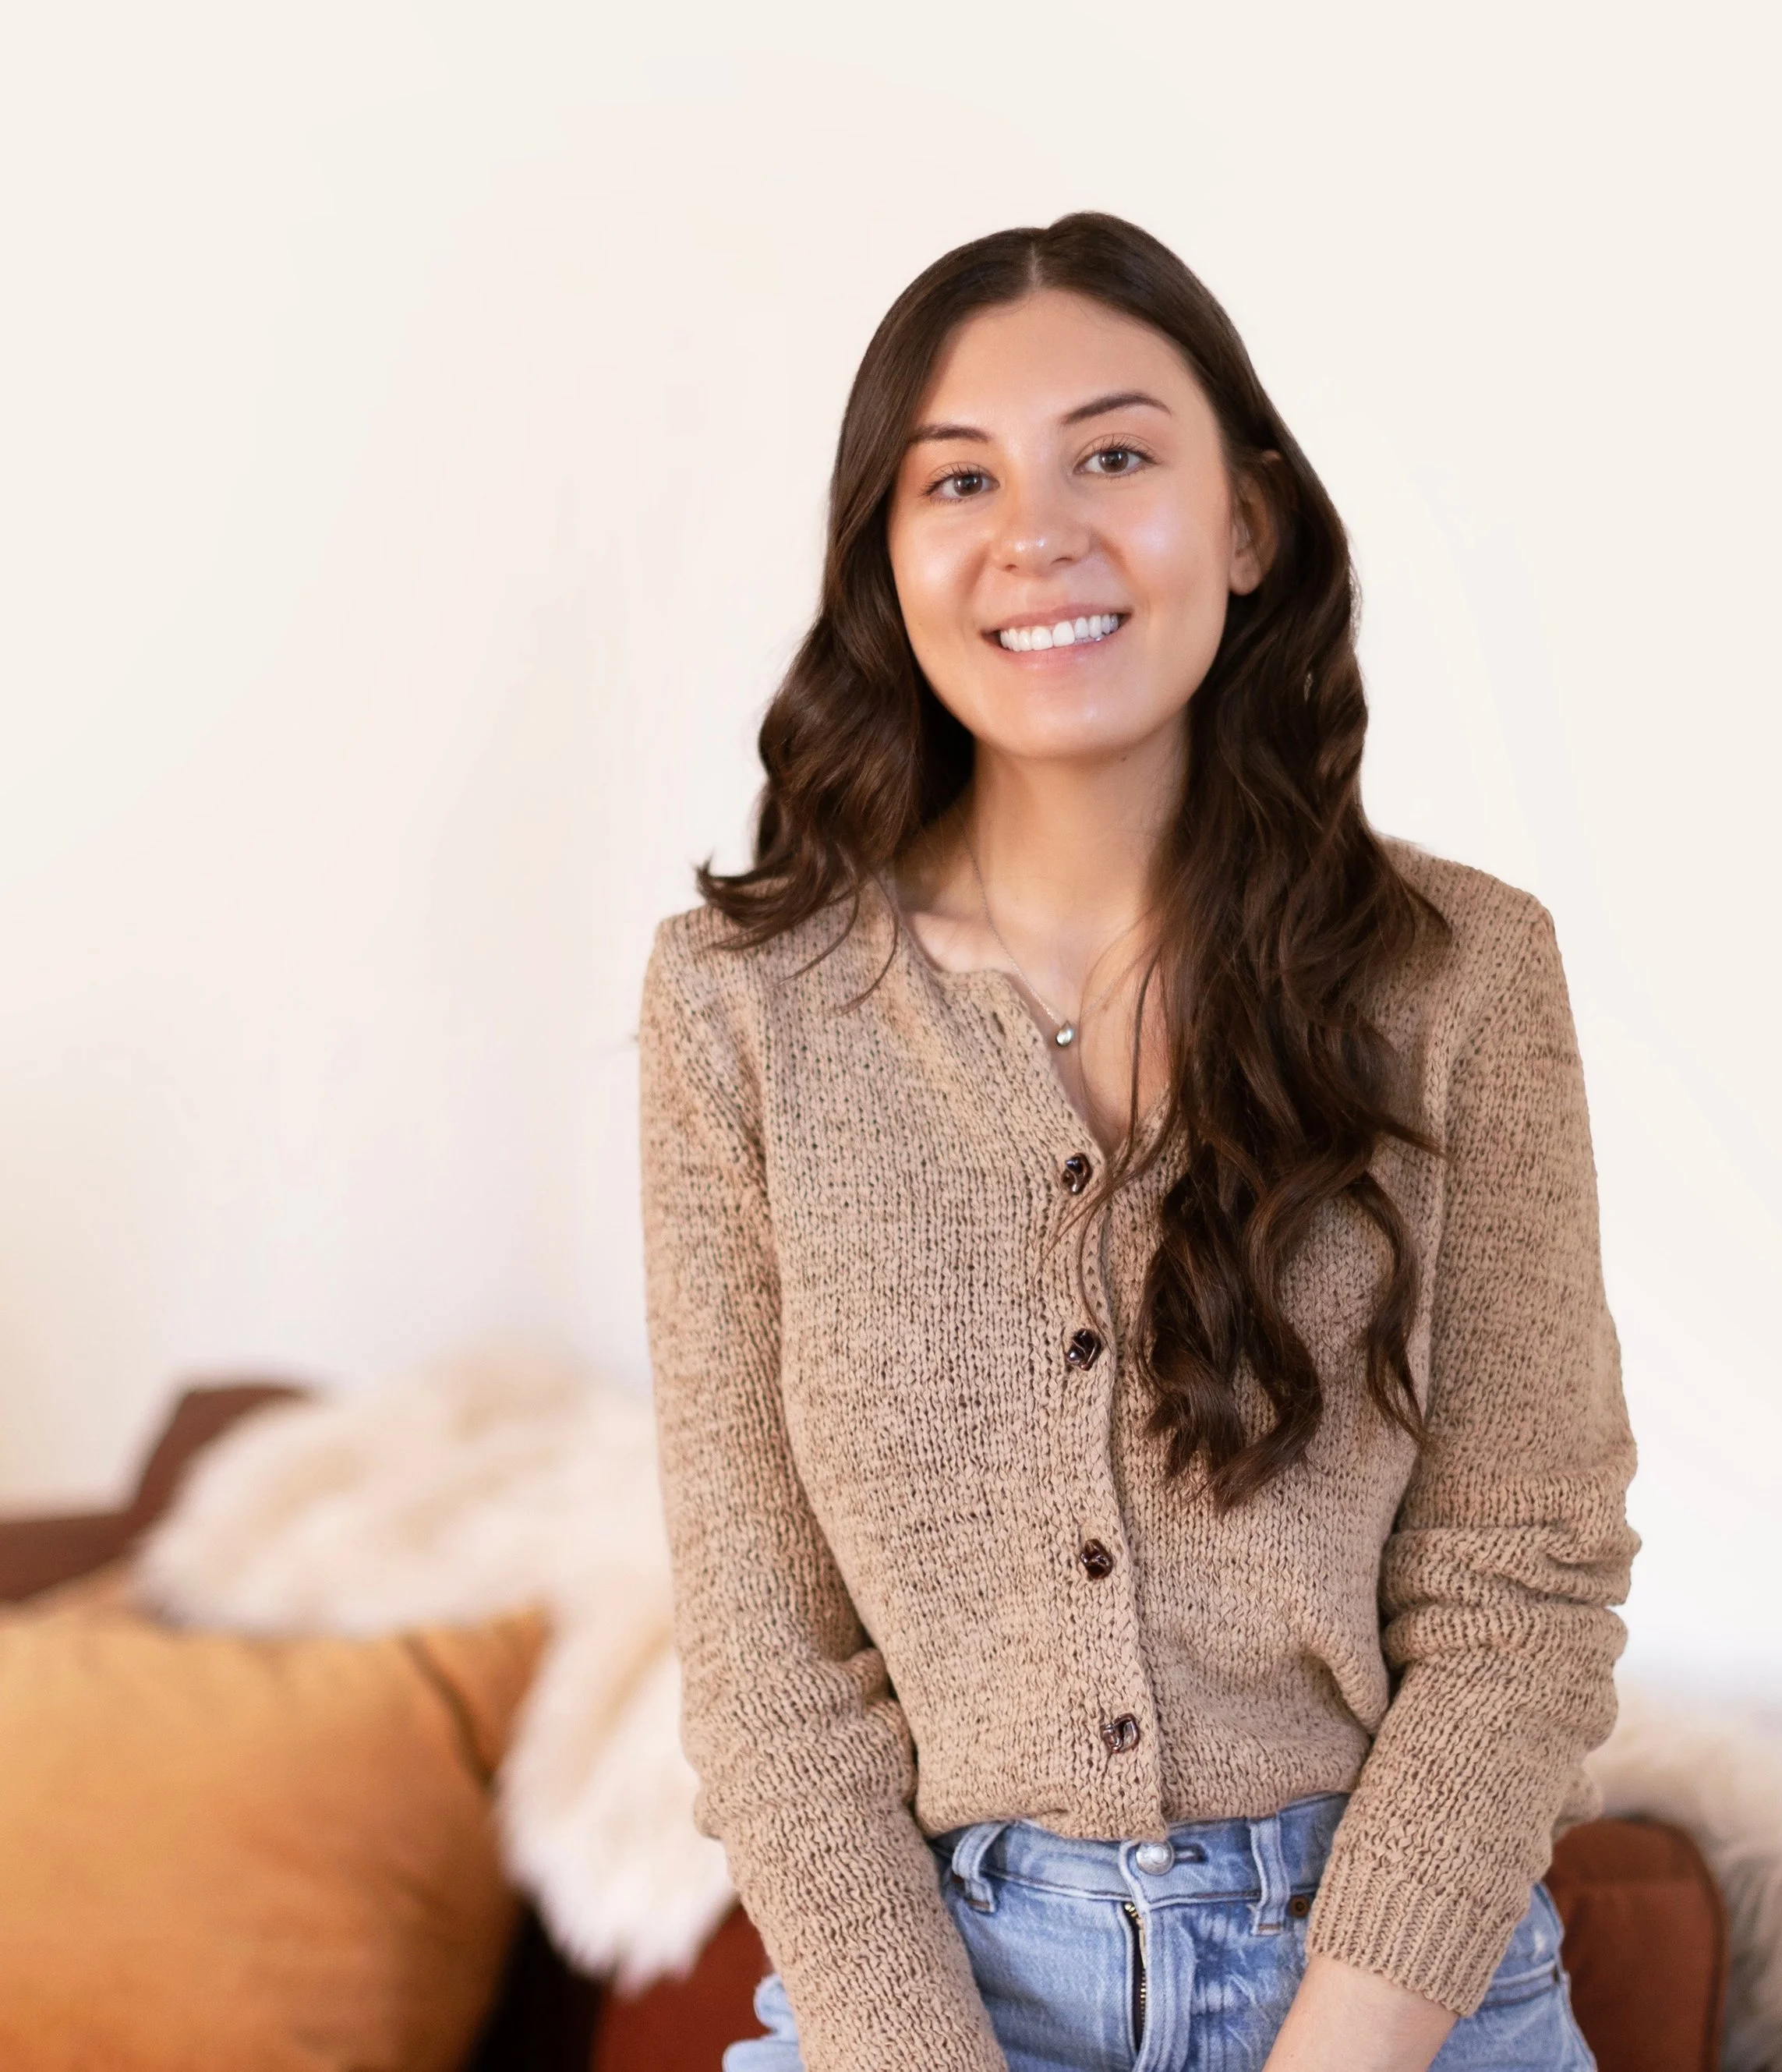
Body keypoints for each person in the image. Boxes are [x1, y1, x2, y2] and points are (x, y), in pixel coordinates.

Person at [638, 213, 1635, 2072]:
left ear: (1245, 523)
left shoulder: (1459, 977)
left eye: (1113, 454)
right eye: (958, 480)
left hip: (1393, 1986)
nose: (1038, 533)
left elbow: (1522, 1576)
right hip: (928, 1997)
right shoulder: (739, 1010)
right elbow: (770, 1667)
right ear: (888, 558)